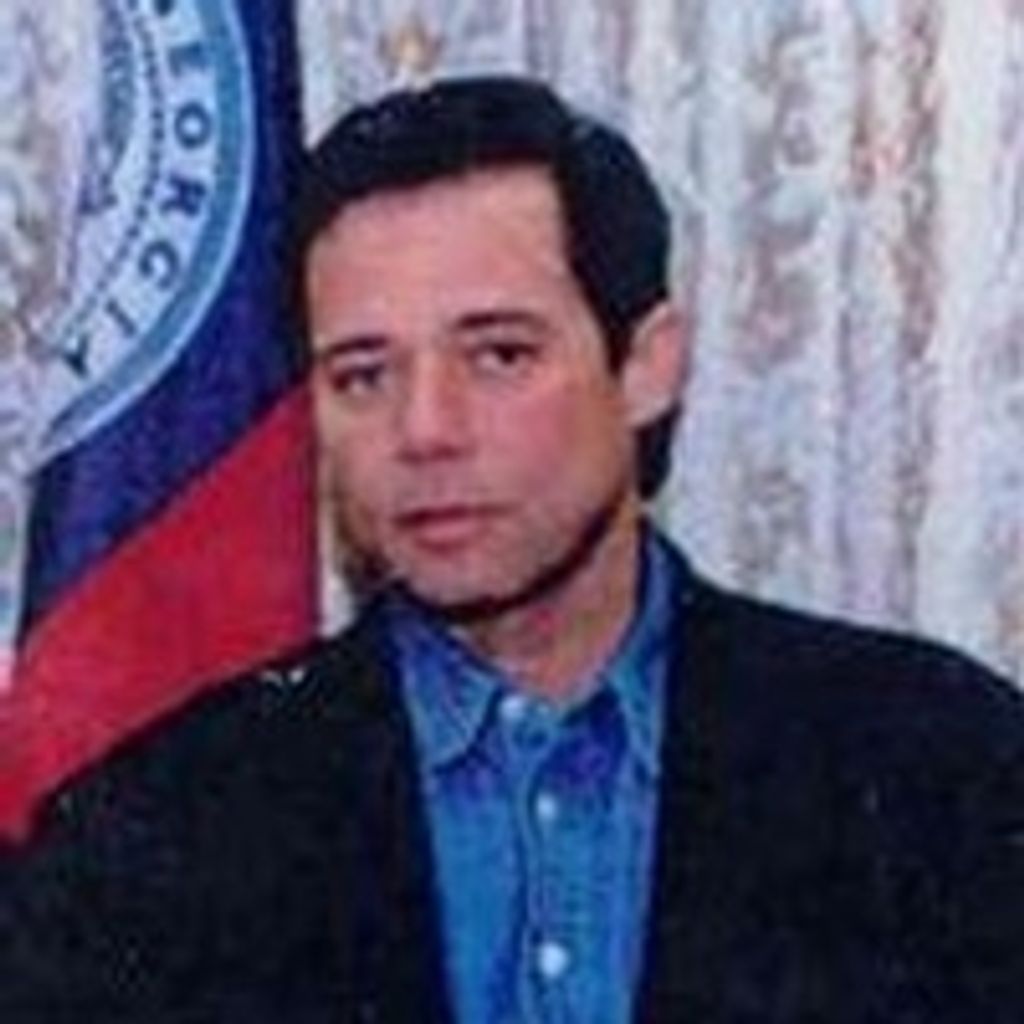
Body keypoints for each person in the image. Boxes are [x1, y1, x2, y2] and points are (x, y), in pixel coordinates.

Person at [2, 75, 1022, 1024]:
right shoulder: (156, 827)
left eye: (498, 354)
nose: (424, 430)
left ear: (646, 367)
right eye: (363, 374)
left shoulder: (938, 766)